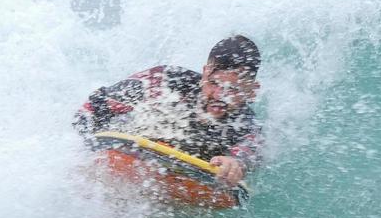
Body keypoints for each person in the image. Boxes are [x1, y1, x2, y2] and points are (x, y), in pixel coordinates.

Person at [74, 35, 263, 186]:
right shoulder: (165, 82)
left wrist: (235, 164)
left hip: (183, 173)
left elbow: (249, 154)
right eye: (214, 83)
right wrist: (91, 149)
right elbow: (89, 111)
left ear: (252, 91)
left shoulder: (245, 125)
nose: (220, 95)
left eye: (234, 89)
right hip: (128, 146)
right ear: (205, 72)